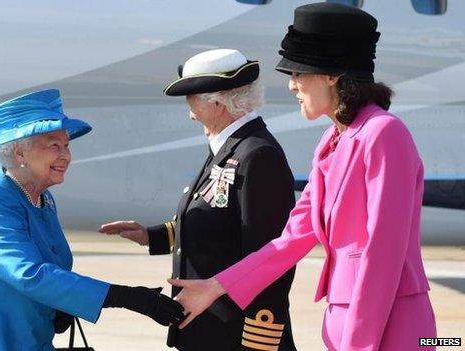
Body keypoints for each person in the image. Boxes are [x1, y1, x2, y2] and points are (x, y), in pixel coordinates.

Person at [168, 3, 438, 351]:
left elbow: (382, 253)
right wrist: (218, 286)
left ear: (331, 75)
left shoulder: (384, 133)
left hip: (396, 327)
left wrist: (358, 345)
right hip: (345, 320)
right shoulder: (332, 141)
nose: (292, 86)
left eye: (297, 74)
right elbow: (294, 236)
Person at [0, 89, 184, 351]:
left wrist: (61, 304)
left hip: (26, 337)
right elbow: (29, 273)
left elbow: (51, 269)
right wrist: (122, 296)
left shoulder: (41, 198)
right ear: (19, 153)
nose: (65, 155)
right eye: (53, 145)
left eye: (66, 145)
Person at [99, 49, 297, 350]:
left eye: (190, 97)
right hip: (206, 333)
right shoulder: (228, 148)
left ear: (216, 103)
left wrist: (259, 341)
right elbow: (217, 225)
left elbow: (270, 258)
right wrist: (151, 236)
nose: (189, 111)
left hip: (236, 338)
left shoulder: (257, 155)